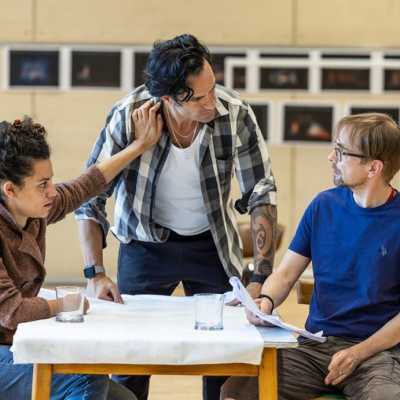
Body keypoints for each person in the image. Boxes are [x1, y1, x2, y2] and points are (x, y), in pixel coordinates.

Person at [75, 33, 277, 400]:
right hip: (145, 246)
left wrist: (259, 276)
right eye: (199, 98)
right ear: (166, 98)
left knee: (224, 360)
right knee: (129, 361)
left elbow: (261, 192)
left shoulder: (235, 114)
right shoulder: (127, 115)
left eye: (213, 87)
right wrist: (95, 272)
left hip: (212, 244)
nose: (212, 102)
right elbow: (89, 198)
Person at [221, 113, 400, 400]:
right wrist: (266, 301)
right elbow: (285, 274)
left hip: (376, 352)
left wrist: (356, 353)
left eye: (341, 152)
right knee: (236, 391)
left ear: (373, 167)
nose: (331, 157)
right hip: (315, 346)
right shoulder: (323, 206)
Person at [0, 115, 160, 400]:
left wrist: (138, 146)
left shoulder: (35, 209)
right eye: (43, 184)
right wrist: (66, 304)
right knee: (84, 378)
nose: (52, 191)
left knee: (124, 398)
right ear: (9, 190)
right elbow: (12, 313)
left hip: (15, 344)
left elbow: (86, 185)